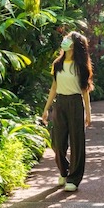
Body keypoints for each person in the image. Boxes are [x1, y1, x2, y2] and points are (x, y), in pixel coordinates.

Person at [41, 31, 93, 192]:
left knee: (77, 142)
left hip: (76, 103)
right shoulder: (57, 64)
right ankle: (64, 171)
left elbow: (85, 91)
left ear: (74, 44)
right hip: (60, 103)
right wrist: (46, 109)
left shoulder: (81, 66)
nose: (65, 40)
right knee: (57, 142)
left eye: (69, 39)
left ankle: (74, 178)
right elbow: (54, 87)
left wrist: (88, 113)